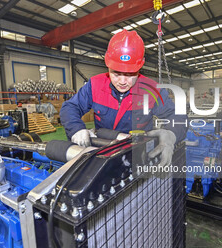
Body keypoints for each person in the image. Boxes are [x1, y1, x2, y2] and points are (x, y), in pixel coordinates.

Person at [60, 29, 187, 166]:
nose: (122, 81)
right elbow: (70, 106)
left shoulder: (152, 91)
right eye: (116, 73)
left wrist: (171, 135)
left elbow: (177, 115)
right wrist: (76, 128)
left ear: (140, 66)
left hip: (138, 156)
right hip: (102, 152)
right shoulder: (95, 85)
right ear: (107, 64)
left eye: (130, 74)